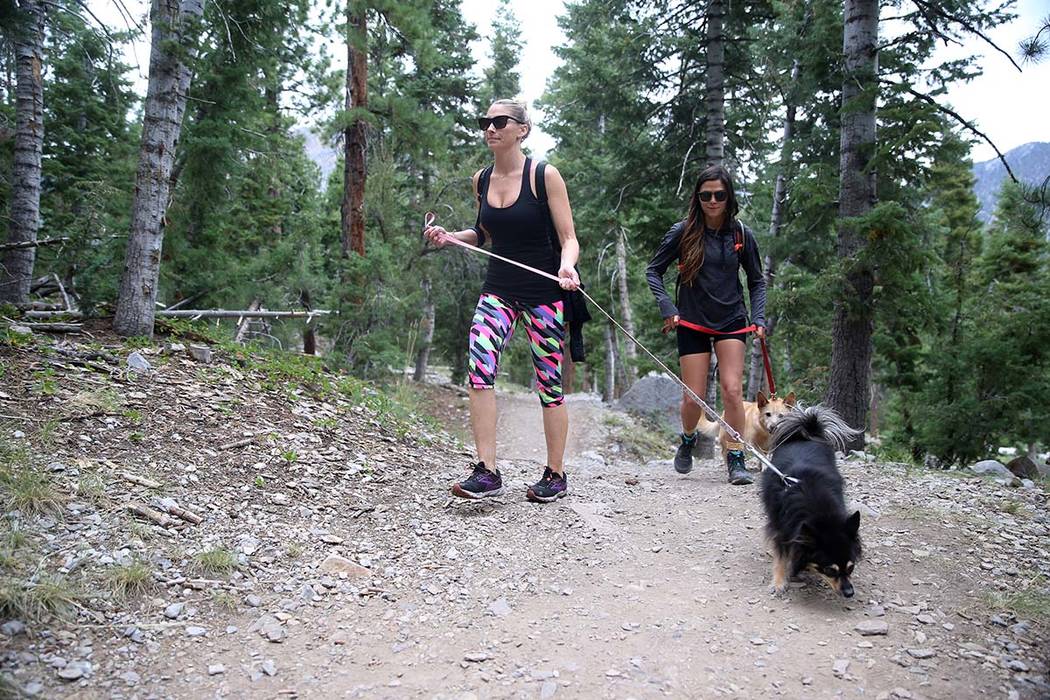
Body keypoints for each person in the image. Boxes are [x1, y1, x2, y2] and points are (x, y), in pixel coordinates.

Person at [423, 99, 581, 503]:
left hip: (545, 291)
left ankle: (555, 475)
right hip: (499, 290)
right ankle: (487, 471)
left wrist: (567, 267)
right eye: (485, 122)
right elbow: (483, 232)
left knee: (549, 383)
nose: (490, 128)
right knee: (479, 364)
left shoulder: (544, 176)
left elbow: (568, 238)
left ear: (521, 130)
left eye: (499, 122)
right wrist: (452, 237)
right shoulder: (482, 179)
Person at [645, 165, 767, 485]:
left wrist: (759, 318)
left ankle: (735, 457)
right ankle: (688, 439)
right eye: (706, 195)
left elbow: (757, 281)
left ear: (729, 197)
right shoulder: (683, 232)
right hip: (692, 321)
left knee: (732, 390)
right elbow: (653, 271)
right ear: (697, 197)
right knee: (693, 398)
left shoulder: (741, 234)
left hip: (731, 321)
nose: (712, 201)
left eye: (719, 195)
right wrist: (667, 307)